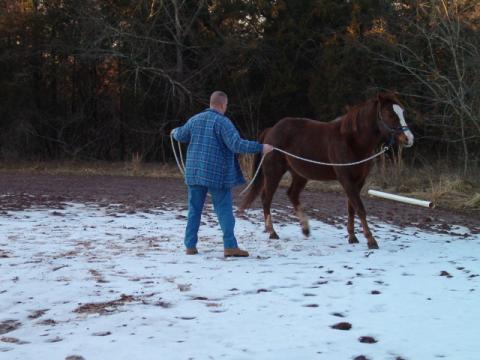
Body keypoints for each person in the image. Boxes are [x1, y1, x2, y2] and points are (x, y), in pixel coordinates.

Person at [172, 91, 273, 257]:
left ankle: (190, 246)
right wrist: (261, 148)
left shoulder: (194, 119)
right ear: (222, 104)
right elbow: (236, 144)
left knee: (194, 210)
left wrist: (174, 131)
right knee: (224, 209)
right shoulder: (223, 123)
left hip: (195, 173)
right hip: (216, 175)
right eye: (226, 105)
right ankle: (230, 246)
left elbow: (180, 135)